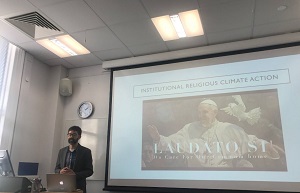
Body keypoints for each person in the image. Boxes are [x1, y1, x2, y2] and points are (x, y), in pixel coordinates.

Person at [148, 99, 281, 168]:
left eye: (204, 112)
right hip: (195, 181)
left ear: (215, 112)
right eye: (199, 112)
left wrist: (264, 146)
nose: (201, 115)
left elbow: (250, 140)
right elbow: (174, 141)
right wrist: (159, 139)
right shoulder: (189, 128)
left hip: (225, 180)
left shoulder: (228, 128)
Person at [55, 126, 93, 193]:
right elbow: (56, 168)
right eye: (69, 134)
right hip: (62, 186)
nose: (71, 136)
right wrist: (60, 171)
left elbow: (89, 171)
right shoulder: (61, 151)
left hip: (79, 187)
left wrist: (75, 174)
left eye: (74, 134)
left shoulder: (86, 151)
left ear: (79, 136)